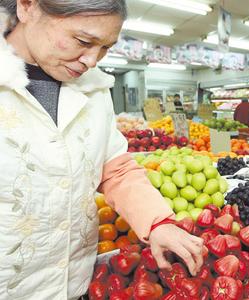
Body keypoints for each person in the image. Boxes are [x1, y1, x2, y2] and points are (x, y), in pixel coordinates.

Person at [0, 1, 203, 299]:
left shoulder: (94, 89)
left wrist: (157, 222)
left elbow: (115, 167)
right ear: (28, 7)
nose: (93, 60)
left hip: (75, 284)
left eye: (106, 47)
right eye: (83, 41)